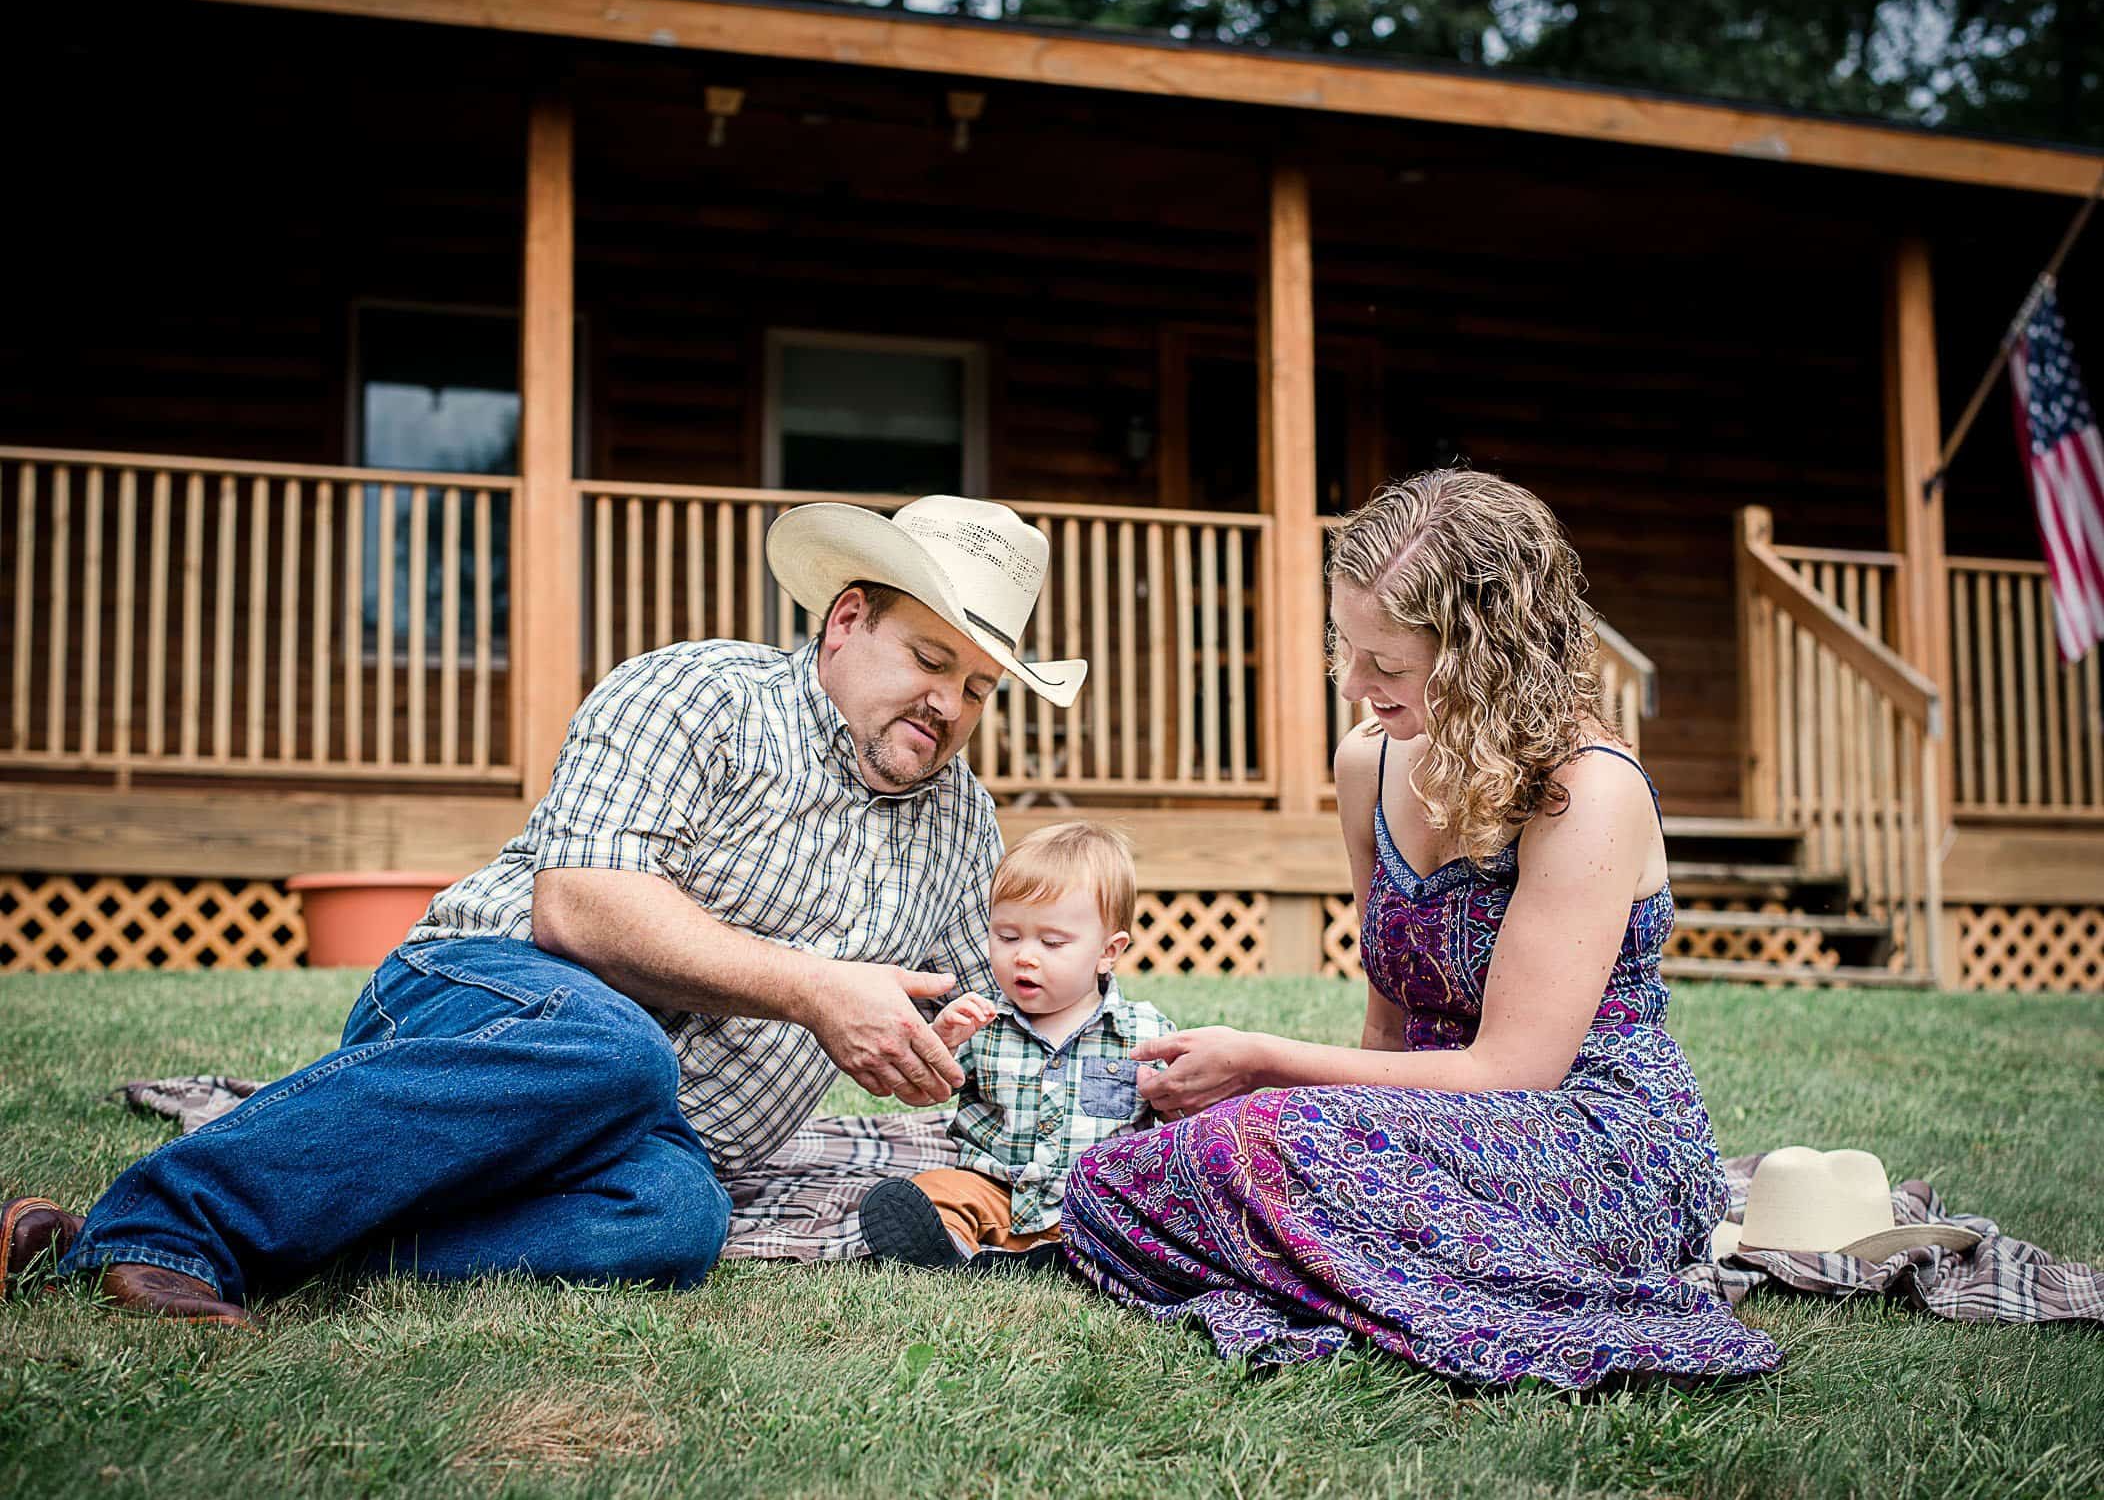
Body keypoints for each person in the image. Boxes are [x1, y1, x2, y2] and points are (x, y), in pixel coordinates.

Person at [1, 495, 1087, 1326]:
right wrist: (816, 990)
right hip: (484, 1007)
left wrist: (969, 1037)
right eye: (931, 659)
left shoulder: (962, 821)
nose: (951, 706)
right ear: (847, 619)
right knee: (618, 1049)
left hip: (652, 1142)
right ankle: (162, 1226)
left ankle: (228, 1249)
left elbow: (998, 1008)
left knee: (676, 1220)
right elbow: (578, 908)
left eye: (983, 687)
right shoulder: (704, 694)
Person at [1060, 470, 1785, 1389]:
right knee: (1107, 1180)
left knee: (1255, 1143)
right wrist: (1309, 1111)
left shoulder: (1588, 789)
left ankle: (1359, 1274)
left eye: (1388, 664)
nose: (1355, 685)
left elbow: (1511, 1072)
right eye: (1345, 647)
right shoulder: (1368, 763)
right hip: (1428, 1124)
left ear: (1488, 655)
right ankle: (1347, 1261)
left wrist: (1265, 1066)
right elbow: (1389, 1028)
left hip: (1589, 1135)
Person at [859, 822, 1174, 1272]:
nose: (1025, 955)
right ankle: (953, 1252)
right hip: (996, 1191)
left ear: (1108, 950)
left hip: (1094, 1204)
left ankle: (1072, 1254)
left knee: (1152, 1220)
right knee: (936, 1192)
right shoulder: (981, 1022)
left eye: (1051, 942)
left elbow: (1177, 1119)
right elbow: (928, 1088)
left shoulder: (1142, 1033)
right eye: (1007, 937)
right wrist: (943, 1041)